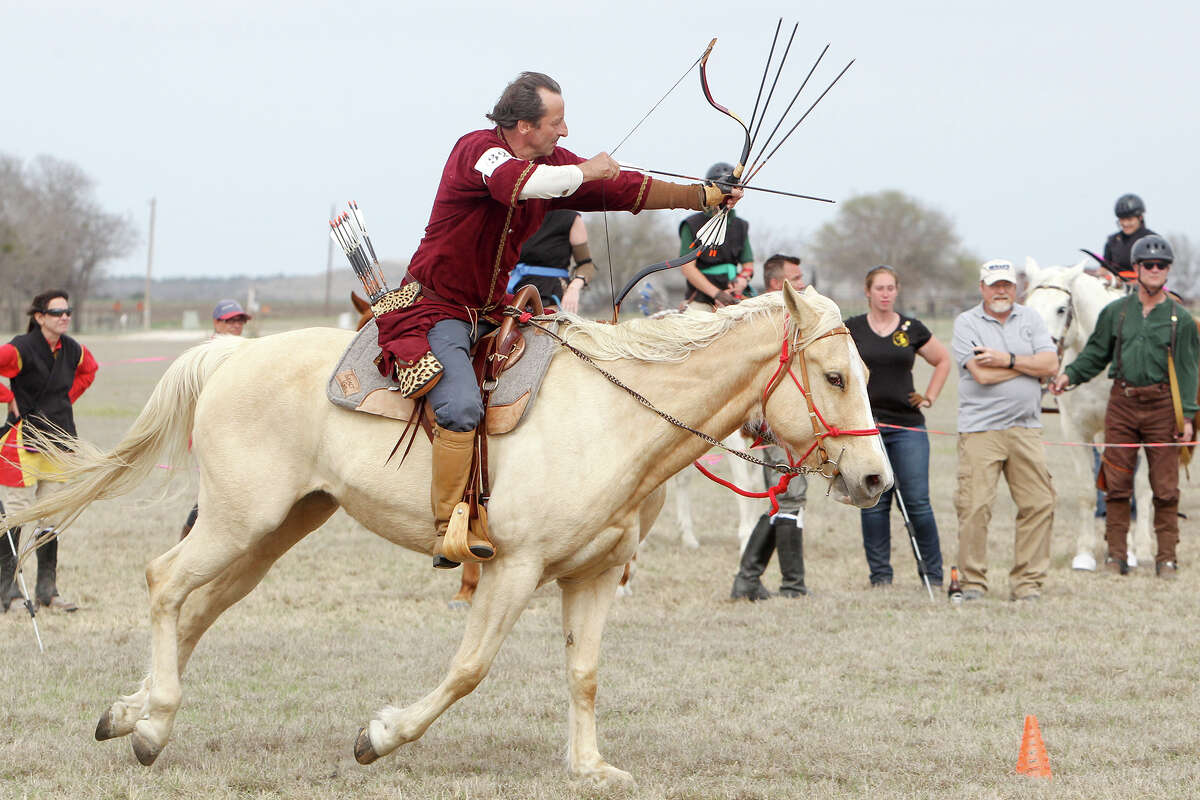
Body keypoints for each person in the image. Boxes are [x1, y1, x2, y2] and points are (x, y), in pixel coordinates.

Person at [372, 72, 740, 569]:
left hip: (492, 308)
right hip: (438, 307)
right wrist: (587, 172)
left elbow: (627, 187)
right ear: (523, 125)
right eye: (556, 122)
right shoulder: (477, 151)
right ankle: (449, 527)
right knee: (460, 406)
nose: (564, 133)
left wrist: (703, 197)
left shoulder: (549, 163)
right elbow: (522, 184)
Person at [1050, 235, 1197, 578]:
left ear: (1168, 271)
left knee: (1165, 487)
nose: (1154, 270)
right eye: (1148, 265)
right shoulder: (1115, 313)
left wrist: (1187, 416)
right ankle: (1116, 555)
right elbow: (1095, 354)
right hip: (1123, 404)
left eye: (1161, 265)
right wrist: (1068, 376)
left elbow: (1189, 371)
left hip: (1162, 406)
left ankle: (1166, 558)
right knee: (1116, 483)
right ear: (1137, 270)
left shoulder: (1181, 319)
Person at [951, 260, 1058, 601]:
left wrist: (1006, 360)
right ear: (981, 287)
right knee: (975, 507)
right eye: (994, 285)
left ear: (1017, 288)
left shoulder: (1032, 319)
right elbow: (980, 376)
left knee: (1039, 503)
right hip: (981, 430)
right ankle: (972, 583)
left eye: (1007, 285)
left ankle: (1027, 583)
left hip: (1026, 429)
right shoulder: (966, 323)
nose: (1001, 291)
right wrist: (1029, 367)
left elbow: (1052, 365)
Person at [845, 266, 950, 588]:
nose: (886, 294)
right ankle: (880, 577)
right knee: (873, 503)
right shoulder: (851, 328)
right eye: (880, 288)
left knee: (918, 502)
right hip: (867, 429)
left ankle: (932, 575)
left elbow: (943, 360)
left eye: (891, 288)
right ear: (868, 291)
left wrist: (929, 396)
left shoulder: (911, 327)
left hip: (908, 428)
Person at [0, 289, 99, 612]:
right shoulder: (19, 349)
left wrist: (63, 399)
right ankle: (9, 590)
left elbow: (90, 370)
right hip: (23, 441)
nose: (65, 317)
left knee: (51, 514)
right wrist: (7, 397)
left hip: (59, 440)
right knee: (15, 513)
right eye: (57, 312)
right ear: (39, 317)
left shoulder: (73, 350)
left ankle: (47, 590)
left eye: (68, 311)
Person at [731, 255, 809, 600]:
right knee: (789, 496)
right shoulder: (766, 321)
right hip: (774, 422)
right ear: (779, 284)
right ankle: (785, 584)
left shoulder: (792, 317)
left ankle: (753, 580)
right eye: (797, 278)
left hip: (790, 420)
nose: (803, 284)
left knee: (788, 498)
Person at [178, 299, 255, 540]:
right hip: (211, 432)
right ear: (216, 323)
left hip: (240, 432)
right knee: (215, 491)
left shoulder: (249, 350)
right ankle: (191, 538)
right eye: (229, 320)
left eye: (239, 320)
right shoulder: (204, 353)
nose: (236, 325)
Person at [679, 162, 754, 309]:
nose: (725, 195)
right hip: (702, 297)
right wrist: (717, 294)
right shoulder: (691, 224)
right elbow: (688, 268)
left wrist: (741, 281)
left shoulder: (741, 225)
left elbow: (748, 265)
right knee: (695, 325)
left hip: (735, 293)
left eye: (730, 190)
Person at [506, 209, 595, 312]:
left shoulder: (571, 218)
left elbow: (586, 265)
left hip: (553, 292)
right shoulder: (517, 213)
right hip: (517, 289)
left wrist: (573, 288)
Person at [1103, 193, 1156, 281]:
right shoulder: (1112, 241)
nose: (1125, 224)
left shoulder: (1152, 239)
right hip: (1116, 285)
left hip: (1144, 286)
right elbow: (1104, 268)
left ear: (1140, 217)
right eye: (1122, 220)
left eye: (1129, 220)